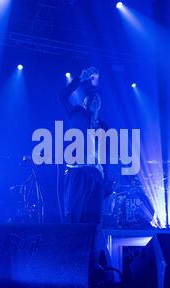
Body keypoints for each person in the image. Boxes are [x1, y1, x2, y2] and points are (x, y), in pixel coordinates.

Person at [59, 67, 110, 223]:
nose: (96, 101)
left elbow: (105, 156)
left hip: (95, 174)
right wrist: (80, 79)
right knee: (75, 216)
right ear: (84, 102)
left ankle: (92, 246)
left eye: (98, 100)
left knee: (94, 219)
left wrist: (106, 179)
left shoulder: (104, 127)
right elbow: (62, 96)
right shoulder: (76, 113)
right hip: (77, 172)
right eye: (92, 98)